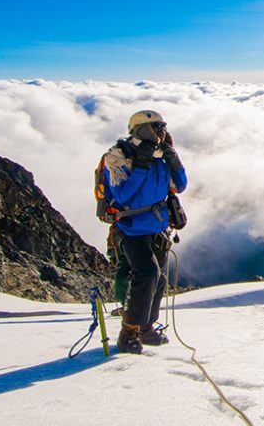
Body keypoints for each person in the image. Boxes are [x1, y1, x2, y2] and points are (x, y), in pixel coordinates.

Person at [101, 109, 187, 354]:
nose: (162, 131)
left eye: (162, 126)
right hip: (130, 228)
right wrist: (141, 165)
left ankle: (146, 328)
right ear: (141, 128)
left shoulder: (160, 155)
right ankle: (129, 331)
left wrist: (173, 160)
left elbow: (179, 186)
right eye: (157, 126)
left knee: (157, 276)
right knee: (147, 272)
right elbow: (122, 195)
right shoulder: (118, 156)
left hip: (157, 227)